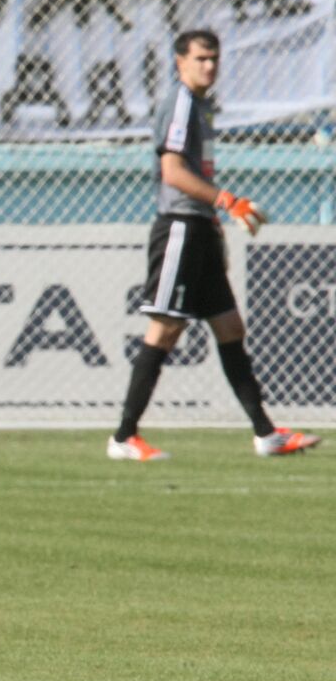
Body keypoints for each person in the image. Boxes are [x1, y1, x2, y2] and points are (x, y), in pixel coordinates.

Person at [107, 29, 319, 462]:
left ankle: (266, 434)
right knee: (165, 330)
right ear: (180, 62)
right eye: (201, 58)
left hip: (200, 226)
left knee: (230, 328)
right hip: (179, 227)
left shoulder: (202, 106)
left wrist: (215, 224)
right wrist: (227, 201)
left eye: (214, 59)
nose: (209, 66)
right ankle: (124, 437)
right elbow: (172, 171)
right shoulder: (181, 103)